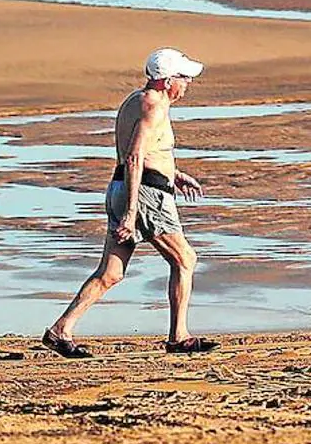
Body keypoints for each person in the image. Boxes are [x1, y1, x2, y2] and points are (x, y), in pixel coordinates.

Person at [41, 48, 219, 358]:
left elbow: (140, 152)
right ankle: (178, 337)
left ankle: (60, 330)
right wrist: (131, 212)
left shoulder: (134, 101)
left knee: (110, 273)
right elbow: (136, 156)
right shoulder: (154, 105)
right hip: (145, 195)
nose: (187, 86)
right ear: (166, 81)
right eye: (184, 79)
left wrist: (173, 174)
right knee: (185, 259)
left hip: (122, 186)